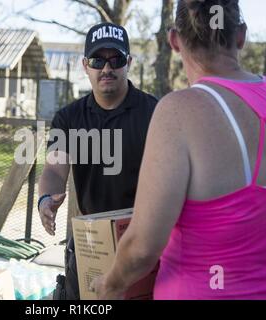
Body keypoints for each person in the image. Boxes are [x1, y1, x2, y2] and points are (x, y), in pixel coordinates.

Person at [93, 0, 266, 300]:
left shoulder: (179, 111)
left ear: (175, 40)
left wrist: (109, 286)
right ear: (240, 35)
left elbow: (142, 248)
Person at [37, 22, 158, 300]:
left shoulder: (155, 112)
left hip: (143, 240)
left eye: (115, 59)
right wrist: (46, 199)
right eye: (97, 60)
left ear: (128, 62)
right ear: (85, 65)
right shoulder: (68, 118)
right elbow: (54, 169)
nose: (106, 68)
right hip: (91, 243)